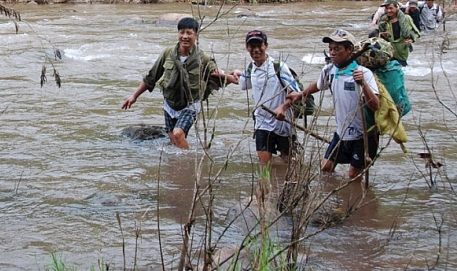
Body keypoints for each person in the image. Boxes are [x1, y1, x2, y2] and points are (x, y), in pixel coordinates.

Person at [278, 29, 380, 179]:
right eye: (330, 49)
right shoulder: (329, 71)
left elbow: (376, 105)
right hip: (342, 133)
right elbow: (318, 85)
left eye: (337, 49)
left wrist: (363, 84)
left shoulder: (363, 73)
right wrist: (300, 94)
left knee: (353, 176)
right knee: (325, 168)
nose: (332, 53)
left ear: (349, 49)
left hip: (364, 135)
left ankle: (354, 200)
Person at [122, 17, 229, 150]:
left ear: (196, 35)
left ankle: (190, 163)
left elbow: (217, 76)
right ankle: (180, 167)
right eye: (182, 32)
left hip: (191, 104)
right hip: (170, 103)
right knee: (173, 139)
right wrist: (134, 96)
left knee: (178, 134)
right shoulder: (168, 53)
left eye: (189, 33)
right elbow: (151, 77)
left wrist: (232, 77)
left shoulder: (203, 58)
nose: (185, 36)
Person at [227, 30, 301, 164]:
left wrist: (283, 108)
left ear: (266, 46)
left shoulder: (279, 67)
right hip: (262, 122)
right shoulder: (250, 68)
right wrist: (222, 75)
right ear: (247, 48)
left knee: (289, 163)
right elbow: (242, 83)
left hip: (283, 122)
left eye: (259, 46)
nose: (255, 50)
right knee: (264, 165)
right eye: (252, 46)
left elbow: (296, 93)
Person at [377, 0, 420, 66]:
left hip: (401, 51)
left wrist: (411, 40)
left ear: (396, 7)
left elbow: (417, 33)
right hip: (388, 51)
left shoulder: (406, 18)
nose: (388, 11)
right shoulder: (384, 21)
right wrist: (382, 35)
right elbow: (378, 36)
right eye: (386, 8)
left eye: (391, 8)